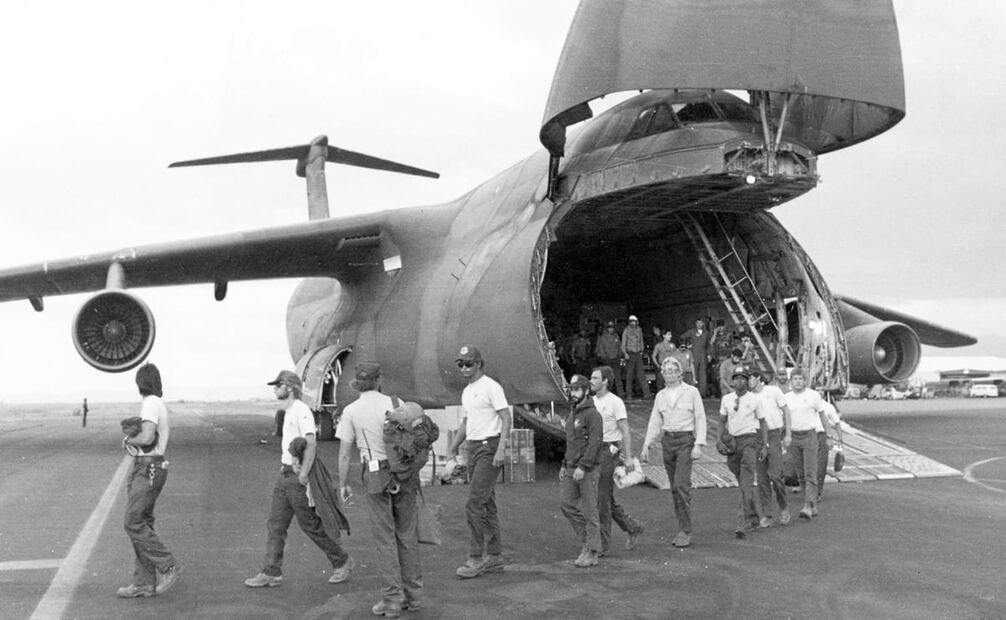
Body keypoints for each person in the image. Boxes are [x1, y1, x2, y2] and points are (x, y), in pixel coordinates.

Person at [245, 370, 353, 588]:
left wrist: (303, 474)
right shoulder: (289, 411)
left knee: (309, 524)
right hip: (285, 474)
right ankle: (271, 572)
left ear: (289, 387)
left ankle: (342, 560)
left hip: (295, 478)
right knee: (276, 525)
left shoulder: (301, 410)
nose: (275, 390)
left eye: (278, 385)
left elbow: (311, 443)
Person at [337, 362, 422, 617]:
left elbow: (344, 453)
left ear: (358, 383)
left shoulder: (351, 411)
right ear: (378, 380)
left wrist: (343, 483)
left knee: (385, 538)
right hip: (403, 473)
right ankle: (413, 596)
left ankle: (391, 600)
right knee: (406, 534)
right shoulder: (397, 403)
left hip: (375, 473)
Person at [117, 363, 182, 599]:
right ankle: (144, 583)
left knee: (133, 522)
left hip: (148, 467)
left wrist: (128, 441)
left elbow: (146, 437)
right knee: (142, 522)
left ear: (140, 383)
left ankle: (167, 565)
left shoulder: (151, 403)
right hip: (148, 466)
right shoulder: (155, 402)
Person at [447, 345, 512, 579]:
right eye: (461, 364)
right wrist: (453, 447)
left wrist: (501, 449)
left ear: (479, 364)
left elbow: (506, 417)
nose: (464, 368)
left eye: (469, 364)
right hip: (474, 447)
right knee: (487, 503)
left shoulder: (491, 387)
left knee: (474, 503)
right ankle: (494, 556)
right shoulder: (467, 391)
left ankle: (475, 557)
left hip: (489, 446)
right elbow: (466, 422)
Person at [639, 358, 706, 548]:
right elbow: (655, 420)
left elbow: (700, 417)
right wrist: (647, 444)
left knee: (681, 484)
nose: (669, 374)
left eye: (672, 370)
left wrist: (699, 444)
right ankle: (681, 527)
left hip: (685, 440)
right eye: (666, 371)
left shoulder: (691, 392)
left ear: (679, 373)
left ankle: (686, 530)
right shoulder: (660, 396)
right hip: (668, 441)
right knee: (674, 488)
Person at [590, 366, 644, 556]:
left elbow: (625, 430)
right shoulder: (591, 402)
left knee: (602, 499)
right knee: (604, 497)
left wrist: (628, 457)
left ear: (605, 381)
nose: (591, 381)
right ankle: (632, 527)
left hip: (608, 451)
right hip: (593, 450)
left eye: (595, 378)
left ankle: (602, 544)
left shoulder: (615, 402)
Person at [559, 374, 604, 567]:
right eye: (571, 390)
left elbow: (595, 443)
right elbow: (571, 442)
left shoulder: (592, 415)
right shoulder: (574, 412)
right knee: (566, 504)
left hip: (587, 469)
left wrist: (583, 466)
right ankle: (589, 542)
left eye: (577, 389)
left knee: (590, 510)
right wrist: (564, 464)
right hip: (572, 467)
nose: (573, 393)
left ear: (586, 391)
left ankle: (592, 551)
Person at [719, 368, 767, 538]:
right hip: (733, 443)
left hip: (749, 441)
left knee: (746, 482)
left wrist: (764, 445)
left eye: (743, 378)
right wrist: (719, 440)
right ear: (732, 381)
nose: (739, 381)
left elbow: (763, 422)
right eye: (736, 378)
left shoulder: (755, 399)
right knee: (743, 482)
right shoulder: (726, 399)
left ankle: (741, 523)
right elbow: (722, 421)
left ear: (747, 381)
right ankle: (754, 518)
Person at [748, 370, 792, 526]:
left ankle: (784, 506)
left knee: (775, 475)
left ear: (758, 378)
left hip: (773, 435)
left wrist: (788, 433)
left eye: (750, 378)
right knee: (762, 478)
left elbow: (786, 410)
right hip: (757, 436)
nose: (748, 382)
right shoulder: (748, 397)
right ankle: (767, 514)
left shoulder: (773, 391)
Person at [783, 368, 826, 519]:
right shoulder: (786, 398)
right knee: (800, 474)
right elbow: (784, 418)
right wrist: (785, 435)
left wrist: (828, 435)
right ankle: (812, 505)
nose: (798, 381)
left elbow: (822, 415)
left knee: (810, 472)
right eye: (795, 379)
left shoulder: (813, 395)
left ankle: (808, 505)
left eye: (800, 378)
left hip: (809, 436)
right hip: (794, 437)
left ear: (805, 381)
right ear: (791, 381)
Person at [814, 396, 844, 504]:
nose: (819, 392)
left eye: (822, 389)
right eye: (816, 389)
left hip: (822, 436)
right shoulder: (805, 402)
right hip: (806, 435)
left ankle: (817, 492)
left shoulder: (828, 406)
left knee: (821, 465)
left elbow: (837, 423)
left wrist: (840, 439)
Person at [680, 318, 712, 396]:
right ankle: (693, 392)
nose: (699, 324)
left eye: (701, 323)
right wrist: (686, 346)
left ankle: (702, 393)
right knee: (694, 374)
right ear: (695, 323)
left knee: (703, 374)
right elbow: (682, 337)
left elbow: (708, 345)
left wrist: (709, 354)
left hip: (703, 355)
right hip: (694, 355)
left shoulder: (706, 333)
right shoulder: (691, 332)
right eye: (698, 323)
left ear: (703, 324)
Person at [621, 315, 650, 399]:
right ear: (629, 322)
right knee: (629, 376)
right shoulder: (626, 330)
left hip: (638, 354)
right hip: (630, 354)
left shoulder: (639, 330)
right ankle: (629, 394)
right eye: (632, 321)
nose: (633, 323)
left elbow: (641, 341)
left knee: (641, 374)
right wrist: (625, 353)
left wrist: (642, 350)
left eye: (635, 321)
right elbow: (623, 343)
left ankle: (647, 394)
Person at [595, 321, 623, 396]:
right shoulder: (603, 337)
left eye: (612, 328)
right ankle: (607, 392)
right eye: (609, 328)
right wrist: (604, 357)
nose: (611, 329)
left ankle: (621, 393)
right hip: (607, 359)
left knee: (618, 376)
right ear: (607, 329)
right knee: (607, 377)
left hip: (616, 359)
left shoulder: (616, 336)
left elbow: (619, 346)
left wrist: (619, 355)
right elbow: (601, 348)